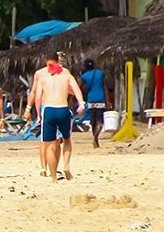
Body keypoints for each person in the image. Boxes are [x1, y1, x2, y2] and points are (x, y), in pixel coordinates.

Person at [26, 51, 85, 181]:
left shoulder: (42, 77)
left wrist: (39, 115)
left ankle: (53, 177)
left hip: (48, 110)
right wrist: (81, 104)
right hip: (63, 109)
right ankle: (66, 166)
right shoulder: (66, 75)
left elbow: (37, 97)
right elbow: (77, 91)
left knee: (49, 145)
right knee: (67, 140)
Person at [78, 60, 107, 148]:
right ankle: (96, 137)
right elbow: (105, 86)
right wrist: (108, 101)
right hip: (101, 99)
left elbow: (79, 88)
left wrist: (73, 99)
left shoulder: (84, 76)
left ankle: (95, 138)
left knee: (93, 121)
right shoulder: (100, 74)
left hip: (91, 99)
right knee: (100, 120)